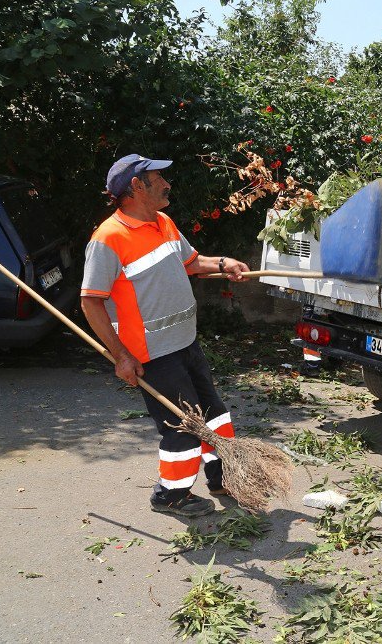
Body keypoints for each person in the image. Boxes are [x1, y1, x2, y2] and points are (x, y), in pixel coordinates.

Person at [80, 154, 250, 518]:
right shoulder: (108, 238)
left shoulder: (163, 222)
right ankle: (170, 495)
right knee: (183, 429)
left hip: (186, 343)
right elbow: (91, 302)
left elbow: (191, 263)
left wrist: (223, 263)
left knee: (215, 415)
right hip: (152, 355)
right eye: (158, 177)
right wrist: (121, 356)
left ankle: (223, 476)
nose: (166, 183)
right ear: (136, 186)